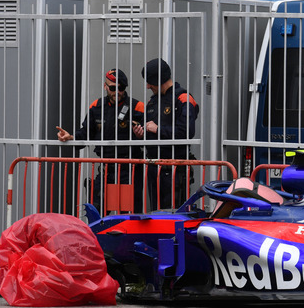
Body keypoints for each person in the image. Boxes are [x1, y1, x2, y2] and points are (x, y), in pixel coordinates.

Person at [56, 68, 145, 212]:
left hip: (129, 169)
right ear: (105, 86)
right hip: (106, 168)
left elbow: (149, 139)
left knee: (128, 214)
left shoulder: (138, 107)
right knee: (97, 211)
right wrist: (71, 137)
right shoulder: (96, 107)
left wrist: (141, 136)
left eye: (121, 88)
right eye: (112, 88)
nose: (117, 92)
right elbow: (85, 133)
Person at [141, 58, 199, 209]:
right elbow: (150, 132)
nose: (147, 86)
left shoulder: (183, 98)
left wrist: (158, 129)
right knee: (156, 213)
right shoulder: (152, 102)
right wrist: (141, 133)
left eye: (150, 82)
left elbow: (186, 131)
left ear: (158, 79)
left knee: (175, 214)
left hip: (175, 168)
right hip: (155, 167)